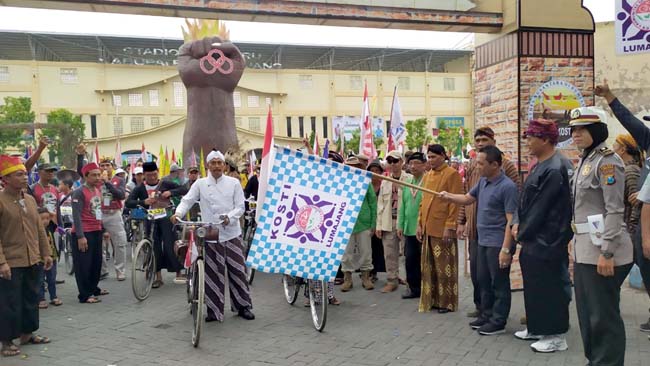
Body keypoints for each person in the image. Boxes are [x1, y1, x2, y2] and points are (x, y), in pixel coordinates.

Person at [569, 107, 633, 365]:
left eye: (582, 129)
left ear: (597, 131)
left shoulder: (607, 161)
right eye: (574, 129)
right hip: (584, 248)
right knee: (587, 314)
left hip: (605, 252)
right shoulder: (586, 159)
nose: (576, 134)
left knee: (603, 317)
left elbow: (615, 209)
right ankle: (595, 360)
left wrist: (607, 252)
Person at [438, 145, 518, 335]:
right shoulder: (483, 182)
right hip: (481, 240)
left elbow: (511, 222)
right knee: (482, 280)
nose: (477, 167)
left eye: (481, 163)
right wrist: (448, 196)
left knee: (498, 283)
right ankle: (486, 315)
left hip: (497, 243)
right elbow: (467, 199)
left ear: (495, 164)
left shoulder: (508, 187)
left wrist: (506, 250)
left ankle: (498, 321)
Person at [511, 119, 573, 353]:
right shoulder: (540, 164)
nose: (527, 140)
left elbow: (542, 208)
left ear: (546, 139)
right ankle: (537, 327)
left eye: (531, 136)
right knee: (534, 286)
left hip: (549, 238)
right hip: (533, 238)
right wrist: (518, 223)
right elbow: (525, 200)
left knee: (550, 288)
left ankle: (556, 335)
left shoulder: (556, 167)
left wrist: (522, 231)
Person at [172, 150, 255, 321]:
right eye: (213, 163)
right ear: (207, 166)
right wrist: (178, 213)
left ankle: (243, 306)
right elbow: (187, 200)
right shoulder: (200, 184)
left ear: (224, 165)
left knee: (237, 270)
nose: (217, 166)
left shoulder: (233, 183)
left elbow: (240, 207)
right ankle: (213, 310)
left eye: (219, 163)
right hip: (210, 232)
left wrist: (229, 218)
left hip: (231, 232)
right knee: (212, 272)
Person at [595, 81, 650, 333]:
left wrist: (646, 194)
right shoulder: (648, 142)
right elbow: (630, 121)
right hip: (641, 224)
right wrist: (609, 97)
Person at [457, 127, 520, 318]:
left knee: (497, 278)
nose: (480, 143)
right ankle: (482, 308)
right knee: (479, 275)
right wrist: (461, 220)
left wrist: (507, 245)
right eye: (477, 140)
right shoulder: (473, 167)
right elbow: (467, 195)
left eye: (484, 139)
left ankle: (497, 315)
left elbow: (513, 201)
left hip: (498, 234)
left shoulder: (505, 167)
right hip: (476, 231)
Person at [0, 155, 53, 357]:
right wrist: (1, 262)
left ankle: (27, 334)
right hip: (10, 262)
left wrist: (46, 253)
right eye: (19, 174)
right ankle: (6, 341)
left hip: (33, 258)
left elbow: (40, 229)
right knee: (9, 302)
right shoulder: (1, 201)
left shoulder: (30, 200)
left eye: (25, 174)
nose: (24, 178)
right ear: (6, 179)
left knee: (31, 297)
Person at [125, 162, 187, 287]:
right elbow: (128, 202)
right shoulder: (140, 188)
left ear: (157, 172)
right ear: (144, 175)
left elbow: (184, 189)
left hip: (166, 217)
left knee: (171, 244)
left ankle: (178, 273)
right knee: (154, 247)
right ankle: (158, 277)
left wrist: (170, 192)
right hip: (150, 219)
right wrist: (143, 201)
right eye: (148, 175)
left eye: (154, 174)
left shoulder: (164, 183)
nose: (152, 177)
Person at [417, 144, 463, 313]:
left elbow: (455, 202)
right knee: (430, 268)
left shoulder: (452, 174)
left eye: (434, 157)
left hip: (443, 228)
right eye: (429, 157)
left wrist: (450, 226)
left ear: (444, 156)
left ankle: (447, 303)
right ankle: (434, 300)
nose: (431, 160)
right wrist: (420, 223)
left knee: (445, 268)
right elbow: (423, 201)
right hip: (428, 227)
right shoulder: (428, 175)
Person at [78, 152, 128, 281]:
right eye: (102, 165)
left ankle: (120, 270)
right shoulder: (95, 181)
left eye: (108, 165)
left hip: (114, 213)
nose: (105, 168)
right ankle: (103, 269)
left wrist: (107, 183)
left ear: (112, 167)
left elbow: (121, 195)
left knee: (120, 242)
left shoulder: (119, 180)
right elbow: (82, 172)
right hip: (99, 213)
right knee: (99, 243)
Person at [70, 162, 108, 303]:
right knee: (83, 265)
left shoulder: (97, 190)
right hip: (84, 233)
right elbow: (77, 216)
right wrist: (80, 236)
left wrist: (103, 230)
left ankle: (93, 288)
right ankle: (85, 295)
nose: (98, 177)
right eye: (94, 175)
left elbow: (99, 212)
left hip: (96, 231)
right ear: (86, 176)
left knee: (96, 263)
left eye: (99, 174)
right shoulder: (79, 192)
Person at [376, 150, 411, 292]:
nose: (393, 164)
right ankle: (392, 280)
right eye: (389, 161)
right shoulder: (385, 181)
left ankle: (411, 280)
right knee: (389, 253)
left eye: (395, 161)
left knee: (408, 253)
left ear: (402, 162)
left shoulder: (409, 179)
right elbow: (380, 205)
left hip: (406, 222)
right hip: (389, 221)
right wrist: (378, 225)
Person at [341, 155, 377, 292]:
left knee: (366, 251)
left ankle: (366, 277)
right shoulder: (340, 182)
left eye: (355, 166)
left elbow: (373, 202)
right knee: (346, 252)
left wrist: (373, 222)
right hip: (345, 222)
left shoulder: (365, 182)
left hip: (364, 221)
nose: (353, 169)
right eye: (350, 166)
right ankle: (347, 279)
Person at [398, 152, 426, 299]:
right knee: (409, 259)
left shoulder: (428, 181)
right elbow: (402, 205)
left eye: (417, 163)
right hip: (409, 228)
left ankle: (426, 289)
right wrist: (400, 225)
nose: (413, 166)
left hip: (423, 228)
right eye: (411, 163)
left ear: (424, 165)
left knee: (424, 260)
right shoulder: (408, 182)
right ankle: (413, 288)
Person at [37, 207, 62, 308]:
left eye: (47, 218)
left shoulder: (50, 227)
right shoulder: (35, 230)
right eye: (42, 219)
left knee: (52, 278)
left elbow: (54, 216)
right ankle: (41, 298)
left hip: (53, 257)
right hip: (40, 259)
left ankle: (53, 296)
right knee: (40, 279)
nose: (45, 221)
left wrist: (49, 213)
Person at [367, 161, 386, 283]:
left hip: (382, 221)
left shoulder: (385, 185)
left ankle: (382, 271)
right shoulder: (365, 186)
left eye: (377, 171)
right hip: (368, 221)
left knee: (380, 248)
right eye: (372, 171)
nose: (374, 173)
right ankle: (369, 272)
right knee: (369, 248)